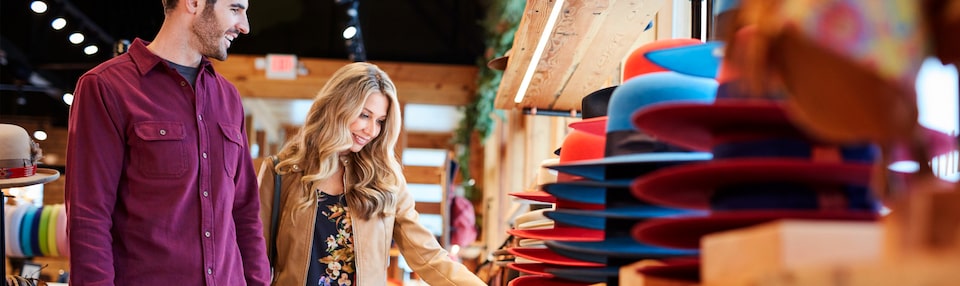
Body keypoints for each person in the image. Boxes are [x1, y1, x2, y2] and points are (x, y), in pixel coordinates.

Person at [65, 0, 269, 285]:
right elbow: (89, 217)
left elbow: (245, 210)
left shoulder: (228, 97)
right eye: (235, 9)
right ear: (194, 3)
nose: (244, 26)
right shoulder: (106, 87)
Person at [258, 62, 485, 285]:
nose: (372, 130)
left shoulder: (387, 181)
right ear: (337, 106)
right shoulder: (281, 173)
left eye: (380, 121)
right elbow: (252, 259)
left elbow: (428, 257)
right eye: (365, 115)